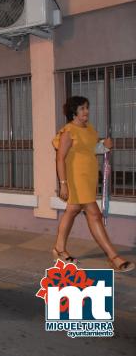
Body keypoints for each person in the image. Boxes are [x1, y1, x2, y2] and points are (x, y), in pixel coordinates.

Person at [53, 96, 134, 272]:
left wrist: (103, 145)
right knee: (94, 214)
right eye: (82, 108)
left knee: (73, 210)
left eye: (87, 108)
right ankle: (114, 257)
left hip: (89, 176)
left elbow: (90, 149)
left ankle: (59, 248)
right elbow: (60, 158)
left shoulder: (89, 129)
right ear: (73, 112)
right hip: (75, 177)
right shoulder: (69, 131)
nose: (86, 111)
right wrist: (63, 184)